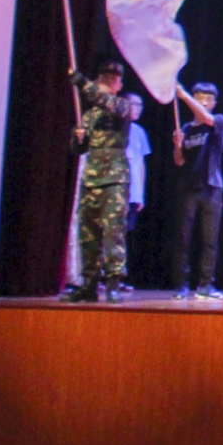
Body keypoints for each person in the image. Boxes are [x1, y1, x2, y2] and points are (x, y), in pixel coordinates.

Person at [66, 62, 133, 303]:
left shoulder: (122, 106)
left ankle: (113, 283)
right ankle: (89, 284)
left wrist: (82, 83)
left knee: (113, 232)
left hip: (114, 178)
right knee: (88, 233)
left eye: (114, 79)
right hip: (92, 178)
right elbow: (79, 149)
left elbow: (106, 102)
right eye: (106, 77)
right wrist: (77, 137)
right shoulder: (90, 115)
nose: (110, 82)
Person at [171, 82, 223, 298]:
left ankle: (206, 285)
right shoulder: (186, 128)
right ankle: (181, 285)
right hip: (188, 187)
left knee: (209, 240)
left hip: (212, 187)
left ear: (214, 103)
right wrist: (178, 145)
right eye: (199, 98)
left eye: (208, 99)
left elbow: (206, 118)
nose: (203, 102)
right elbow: (179, 161)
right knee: (183, 238)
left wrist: (183, 95)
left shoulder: (218, 121)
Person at [122, 94, 149, 282]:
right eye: (135, 104)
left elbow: (140, 164)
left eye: (141, 105)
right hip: (116, 189)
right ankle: (102, 277)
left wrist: (140, 194)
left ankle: (118, 276)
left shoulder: (139, 131)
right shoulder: (115, 128)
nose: (138, 108)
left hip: (133, 192)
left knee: (125, 233)